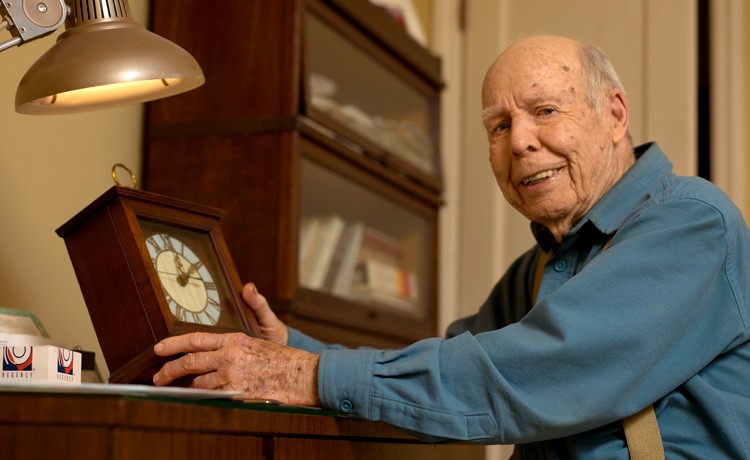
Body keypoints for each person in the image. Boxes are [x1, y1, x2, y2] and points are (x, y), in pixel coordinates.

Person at [152, 35, 750, 458]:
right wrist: (292, 350)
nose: (520, 142)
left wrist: (308, 375)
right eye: (498, 125)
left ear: (613, 115)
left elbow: (516, 377)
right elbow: (447, 381)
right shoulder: (539, 267)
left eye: (544, 111)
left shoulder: (689, 223)